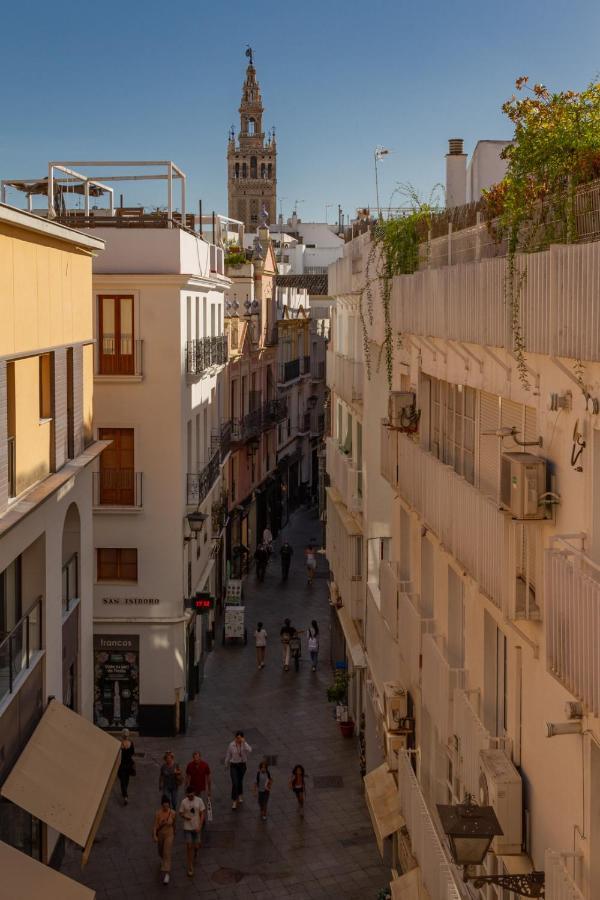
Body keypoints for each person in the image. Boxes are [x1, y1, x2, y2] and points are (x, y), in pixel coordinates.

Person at [179, 787, 205, 878]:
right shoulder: (183, 802)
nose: (190, 797)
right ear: (187, 795)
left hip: (196, 827)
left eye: (192, 795)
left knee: (196, 845)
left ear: (194, 793)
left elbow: (202, 814)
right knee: (189, 846)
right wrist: (185, 817)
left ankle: (196, 851)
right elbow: (181, 813)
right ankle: (190, 866)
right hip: (187, 828)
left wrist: (200, 826)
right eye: (189, 796)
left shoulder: (199, 801)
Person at [224, 731, 252, 809]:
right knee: (235, 782)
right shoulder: (231, 745)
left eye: (239, 738)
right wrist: (226, 764)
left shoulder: (244, 744)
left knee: (239, 781)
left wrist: (244, 742)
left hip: (242, 765)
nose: (238, 739)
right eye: (237, 738)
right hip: (233, 766)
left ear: (242, 738)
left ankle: (240, 794)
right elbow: (228, 754)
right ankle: (234, 801)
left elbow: (250, 750)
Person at [152, 795, 176, 885]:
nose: (166, 807)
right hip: (161, 834)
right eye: (164, 806)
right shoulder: (158, 813)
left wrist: (174, 831)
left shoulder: (173, 813)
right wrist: (154, 835)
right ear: (162, 805)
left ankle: (166, 873)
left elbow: (174, 823)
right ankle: (163, 861)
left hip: (169, 834)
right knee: (161, 851)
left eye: (167, 806)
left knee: (167, 852)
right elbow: (155, 825)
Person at [117, 729, 135, 805]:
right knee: (127, 779)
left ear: (122, 735)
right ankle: (125, 792)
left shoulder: (120, 744)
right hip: (129, 764)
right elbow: (132, 753)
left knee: (122, 780)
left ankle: (125, 796)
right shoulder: (131, 743)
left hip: (122, 764)